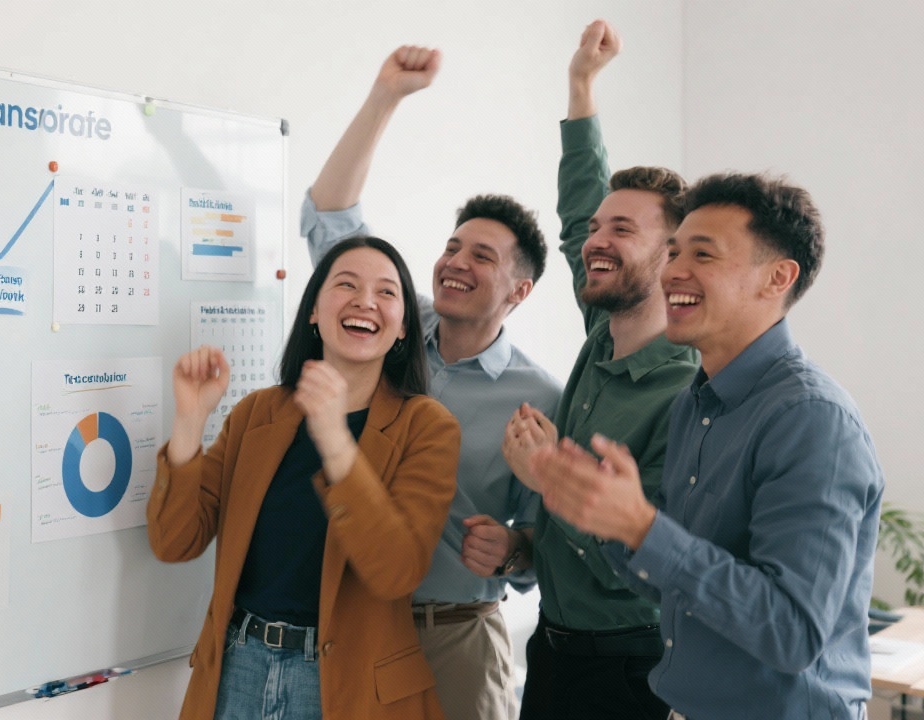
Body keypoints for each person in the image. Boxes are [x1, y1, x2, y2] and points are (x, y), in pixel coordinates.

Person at [531, 172, 885, 719]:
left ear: (778, 278)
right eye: (673, 252)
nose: (674, 271)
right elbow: (673, 586)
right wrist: (606, 518)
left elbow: (792, 633)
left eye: (703, 254)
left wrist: (641, 528)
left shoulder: (812, 420)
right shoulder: (696, 404)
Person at [301, 45, 561, 720]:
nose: (455, 262)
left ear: (520, 290)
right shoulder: (388, 328)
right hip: (352, 625)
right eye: (452, 245)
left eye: (482, 256)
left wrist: (513, 550)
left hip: (457, 637)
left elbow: (548, 539)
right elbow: (331, 218)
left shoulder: (540, 400)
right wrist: (384, 96)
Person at [148, 235, 461, 719]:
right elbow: (175, 541)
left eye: (386, 292)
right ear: (314, 310)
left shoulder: (427, 426)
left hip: (348, 687)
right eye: (347, 284)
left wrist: (335, 439)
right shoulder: (258, 413)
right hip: (239, 668)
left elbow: (396, 569)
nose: (365, 302)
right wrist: (190, 422)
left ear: (402, 327)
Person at [500, 20, 699, 720]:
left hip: (631, 671)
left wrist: (544, 477)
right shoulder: (603, 332)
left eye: (622, 230)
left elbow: (651, 558)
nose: (596, 241)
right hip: (551, 656)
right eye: (597, 230)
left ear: (673, 257)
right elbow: (579, 204)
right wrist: (581, 85)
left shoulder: (691, 392)